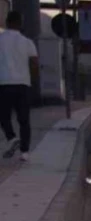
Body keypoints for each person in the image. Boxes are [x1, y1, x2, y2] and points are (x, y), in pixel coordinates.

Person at [0, 11, 39, 161]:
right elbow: (34, 64)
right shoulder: (27, 42)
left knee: (3, 116)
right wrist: (33, 81)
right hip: (23, 84)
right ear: (20, 23)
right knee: (24, 119)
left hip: (3, 83)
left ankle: (11, 138)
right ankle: (24, 152)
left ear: (7, 22)